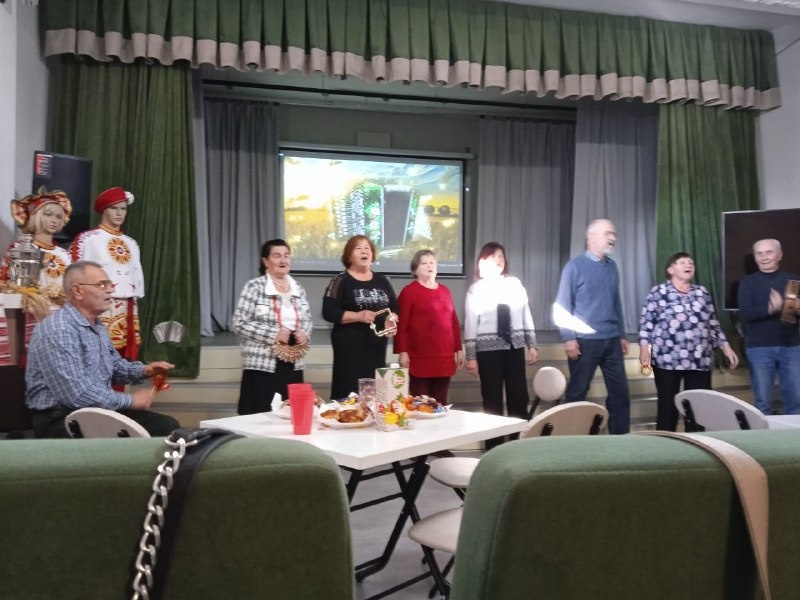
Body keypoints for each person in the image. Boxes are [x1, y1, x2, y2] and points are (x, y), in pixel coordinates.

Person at [25, 261, 178, 438]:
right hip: (60, 418)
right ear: (78, 291)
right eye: (102, 285)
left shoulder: (96, 326)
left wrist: (144, 370)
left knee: (166, 426)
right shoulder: (58, 329)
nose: (111, 290)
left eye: (109, 284)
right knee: (157, 431)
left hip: (93, 412)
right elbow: (77, 395)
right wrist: (130, 400)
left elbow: (114, 366)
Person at [638, 252, 739, 431]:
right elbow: (646, 323)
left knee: (698, 408)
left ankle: (696, 443)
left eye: (691, 263)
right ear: (670, 270)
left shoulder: (702, 293)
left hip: (699, 359)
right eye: (683, 262)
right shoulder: (658, 292)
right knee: (667, 407)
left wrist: (726, 347)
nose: (689, 265)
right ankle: (665, 442)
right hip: (667, 360)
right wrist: (644, 349)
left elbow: (712, 323)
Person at [553, 219, 630, 434]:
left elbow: (616, 302)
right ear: (592, 237)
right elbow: (562, 305)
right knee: (577, 392)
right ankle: (570, 439)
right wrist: (569, 338)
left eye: (614, 234)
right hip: (584, 341)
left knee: (620, 393)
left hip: (611, 339)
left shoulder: (612, 267)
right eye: (608, 233)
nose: (613, 238)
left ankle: (621, 440)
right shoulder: (575, 266)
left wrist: (622, 334)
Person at [464, 242, 537, 448]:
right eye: (493, 256)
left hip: (514, 348)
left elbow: (526, 314)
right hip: (488, 351)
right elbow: (471, 323)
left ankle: (519, 444)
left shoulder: (515, 284)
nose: (498, 260)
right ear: (482, 261)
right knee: (492, 399)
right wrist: (471, 357)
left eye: (501, 256)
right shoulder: (476, 289)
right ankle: (494, 448)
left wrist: (532, 345)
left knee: (518, 396)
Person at [232, 239, 313, 415]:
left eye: (286, 255)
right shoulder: (254, 287)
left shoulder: (298, 288)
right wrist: (273, 334)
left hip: (292, 361)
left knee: (291, 413)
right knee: (259, 414)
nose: (283, 260)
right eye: (277, 256)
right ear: (266, 261)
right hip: (263, 363)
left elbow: (307, 320)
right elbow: (239, 323)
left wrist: (304, 333)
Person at [70, 187, 145, 361]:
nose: (119, 213)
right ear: (103, 209)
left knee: (123, 357)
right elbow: (74, 274)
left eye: (123, 208)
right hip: (98, 304)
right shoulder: (88, 239)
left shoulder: (131, 243)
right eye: (114, 208)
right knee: (96, 353)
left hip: (127, 307)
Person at [323, 235, 398, 399]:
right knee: (348, 394)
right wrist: (358, 316)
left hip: (376, 347)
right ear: (349, 256)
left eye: (367, 248)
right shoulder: (340, 280)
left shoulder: (382, 280)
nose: (364, 251)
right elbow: (329, 311)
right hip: (349, 348)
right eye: (358, 248)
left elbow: (395, 307)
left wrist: (391, 318)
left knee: (374, 395)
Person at [737, 238, 800, 415]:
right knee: (763, 402)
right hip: (759, 348)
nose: (764, 257)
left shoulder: (792, 279)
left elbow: (790, 317)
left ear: (779, 255)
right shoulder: (748, 282)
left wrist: (796, 309)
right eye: (759, 253)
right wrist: (770, 308)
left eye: (769, 252)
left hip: (791, 347)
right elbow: (745, 314)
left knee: (796, 400)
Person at [394, 250, 464, 405]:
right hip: (419, 358)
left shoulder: (445, 291)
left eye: (432, 262)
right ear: (415, 269)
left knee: (441, 404)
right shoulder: (409, 292)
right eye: (424, 263)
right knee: (422, 405)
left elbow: (454, 322)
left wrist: (459, 349)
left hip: (444, 357)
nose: (429, 265)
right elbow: (401, 325)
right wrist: (402, 352)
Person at [8, 187, 73, 289]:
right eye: (48, 215)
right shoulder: (20, 249)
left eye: (58, 217)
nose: (54, 220)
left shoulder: (65, 255)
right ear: (36, 216)